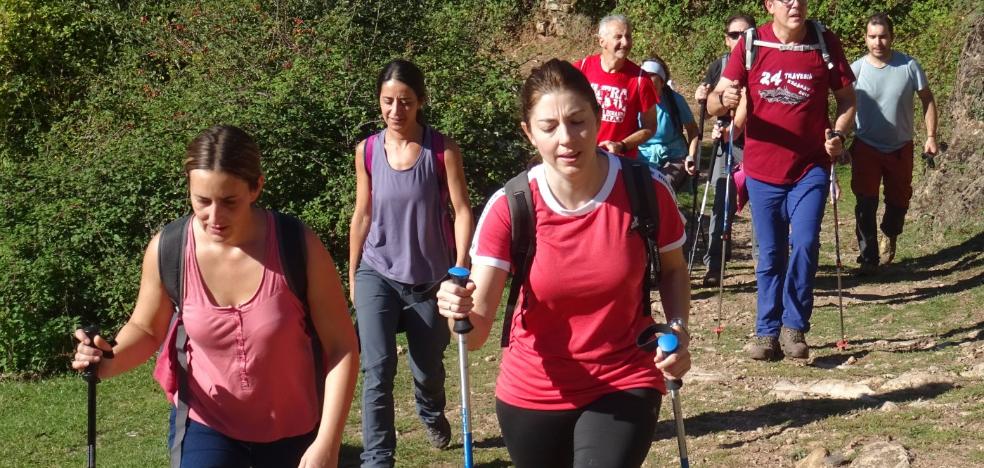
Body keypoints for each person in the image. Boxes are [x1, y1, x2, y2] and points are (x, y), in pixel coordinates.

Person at [435, 59, 691, 468]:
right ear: (528, 132)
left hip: (623, 376)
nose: (567, 139)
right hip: (534, 389)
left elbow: (674, 269)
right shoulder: (510, 207)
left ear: (598, 118)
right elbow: (476, 332)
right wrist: (456, 309)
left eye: (577, 121)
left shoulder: (646, 189)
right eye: (549, 127)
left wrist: (677, 328)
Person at [71, 125, 359, 467]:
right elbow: (147, 329)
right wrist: (106, 359)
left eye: (229, 201)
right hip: (208, 427)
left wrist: (328, 441)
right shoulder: (170, 249)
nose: (214, 217)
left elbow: (342, 346)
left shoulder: (297, 245)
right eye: (202, 201)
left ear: (256, 187)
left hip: (295, 429)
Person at [707, 0, 856, 361]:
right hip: (762, 169)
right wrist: (722, 98)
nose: (795, 4)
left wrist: (838, 134)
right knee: (771, 253)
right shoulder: (751, 43)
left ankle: (794, 327)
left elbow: (848, 101)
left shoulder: (824, 42)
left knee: (805, 243)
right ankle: (766, 332)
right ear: (769, 5)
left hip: (811, 167)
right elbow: (714, 103)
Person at [348, 59, 474, 468]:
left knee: (427, 371)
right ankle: (377, 459)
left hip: (429, 280)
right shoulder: (367, 151)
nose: (395, 111)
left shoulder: (442, 150)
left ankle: (431, 411)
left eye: (405, 102)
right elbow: (362, 214)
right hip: (377, 271)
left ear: (420, 102)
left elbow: (461, 210)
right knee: (377, 370)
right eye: (388, 102)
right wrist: (352, 274)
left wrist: (459, 268)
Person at [850, 12, 939, 274]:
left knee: (898, 200)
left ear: (891, 37)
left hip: (901, 146)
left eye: (883, 36)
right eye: (873, 37)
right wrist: (838, 137)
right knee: (865, 202)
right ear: (865, 39)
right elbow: (844, 105)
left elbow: (928, 99)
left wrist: (931, 136)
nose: (878, 42)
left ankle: (889, 233)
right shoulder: (856, 70)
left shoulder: (909, 66)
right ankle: (868, 259)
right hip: (865, 144)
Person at [694, 13, 757, 287]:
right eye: (734, 35)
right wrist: (712, 98)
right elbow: (709, 107)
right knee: (722, 205)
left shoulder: (763, 64)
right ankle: (715, 265)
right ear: (726, 38)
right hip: (727, 143)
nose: (740, 40)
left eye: (745, 35)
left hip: (759, 144)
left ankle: (762, 264)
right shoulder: (719, 66)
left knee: (761, 207)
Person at [573, 14, 659, 159]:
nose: (625, 43)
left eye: (628, 36)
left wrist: (622, 145)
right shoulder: (581, 69)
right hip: (582, 158)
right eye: (618, 37)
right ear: (602, 41)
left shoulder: (641, 79)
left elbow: (650, 126)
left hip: (619, 162)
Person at [637, 56, 699, 192]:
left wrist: (691, 156)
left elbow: (693, 130)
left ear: (662, 82)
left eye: (652, 77)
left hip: (674, 156)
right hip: (641, 156)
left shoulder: (675, 101)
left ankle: (665, 212)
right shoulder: (633, 101)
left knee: (662, 187)